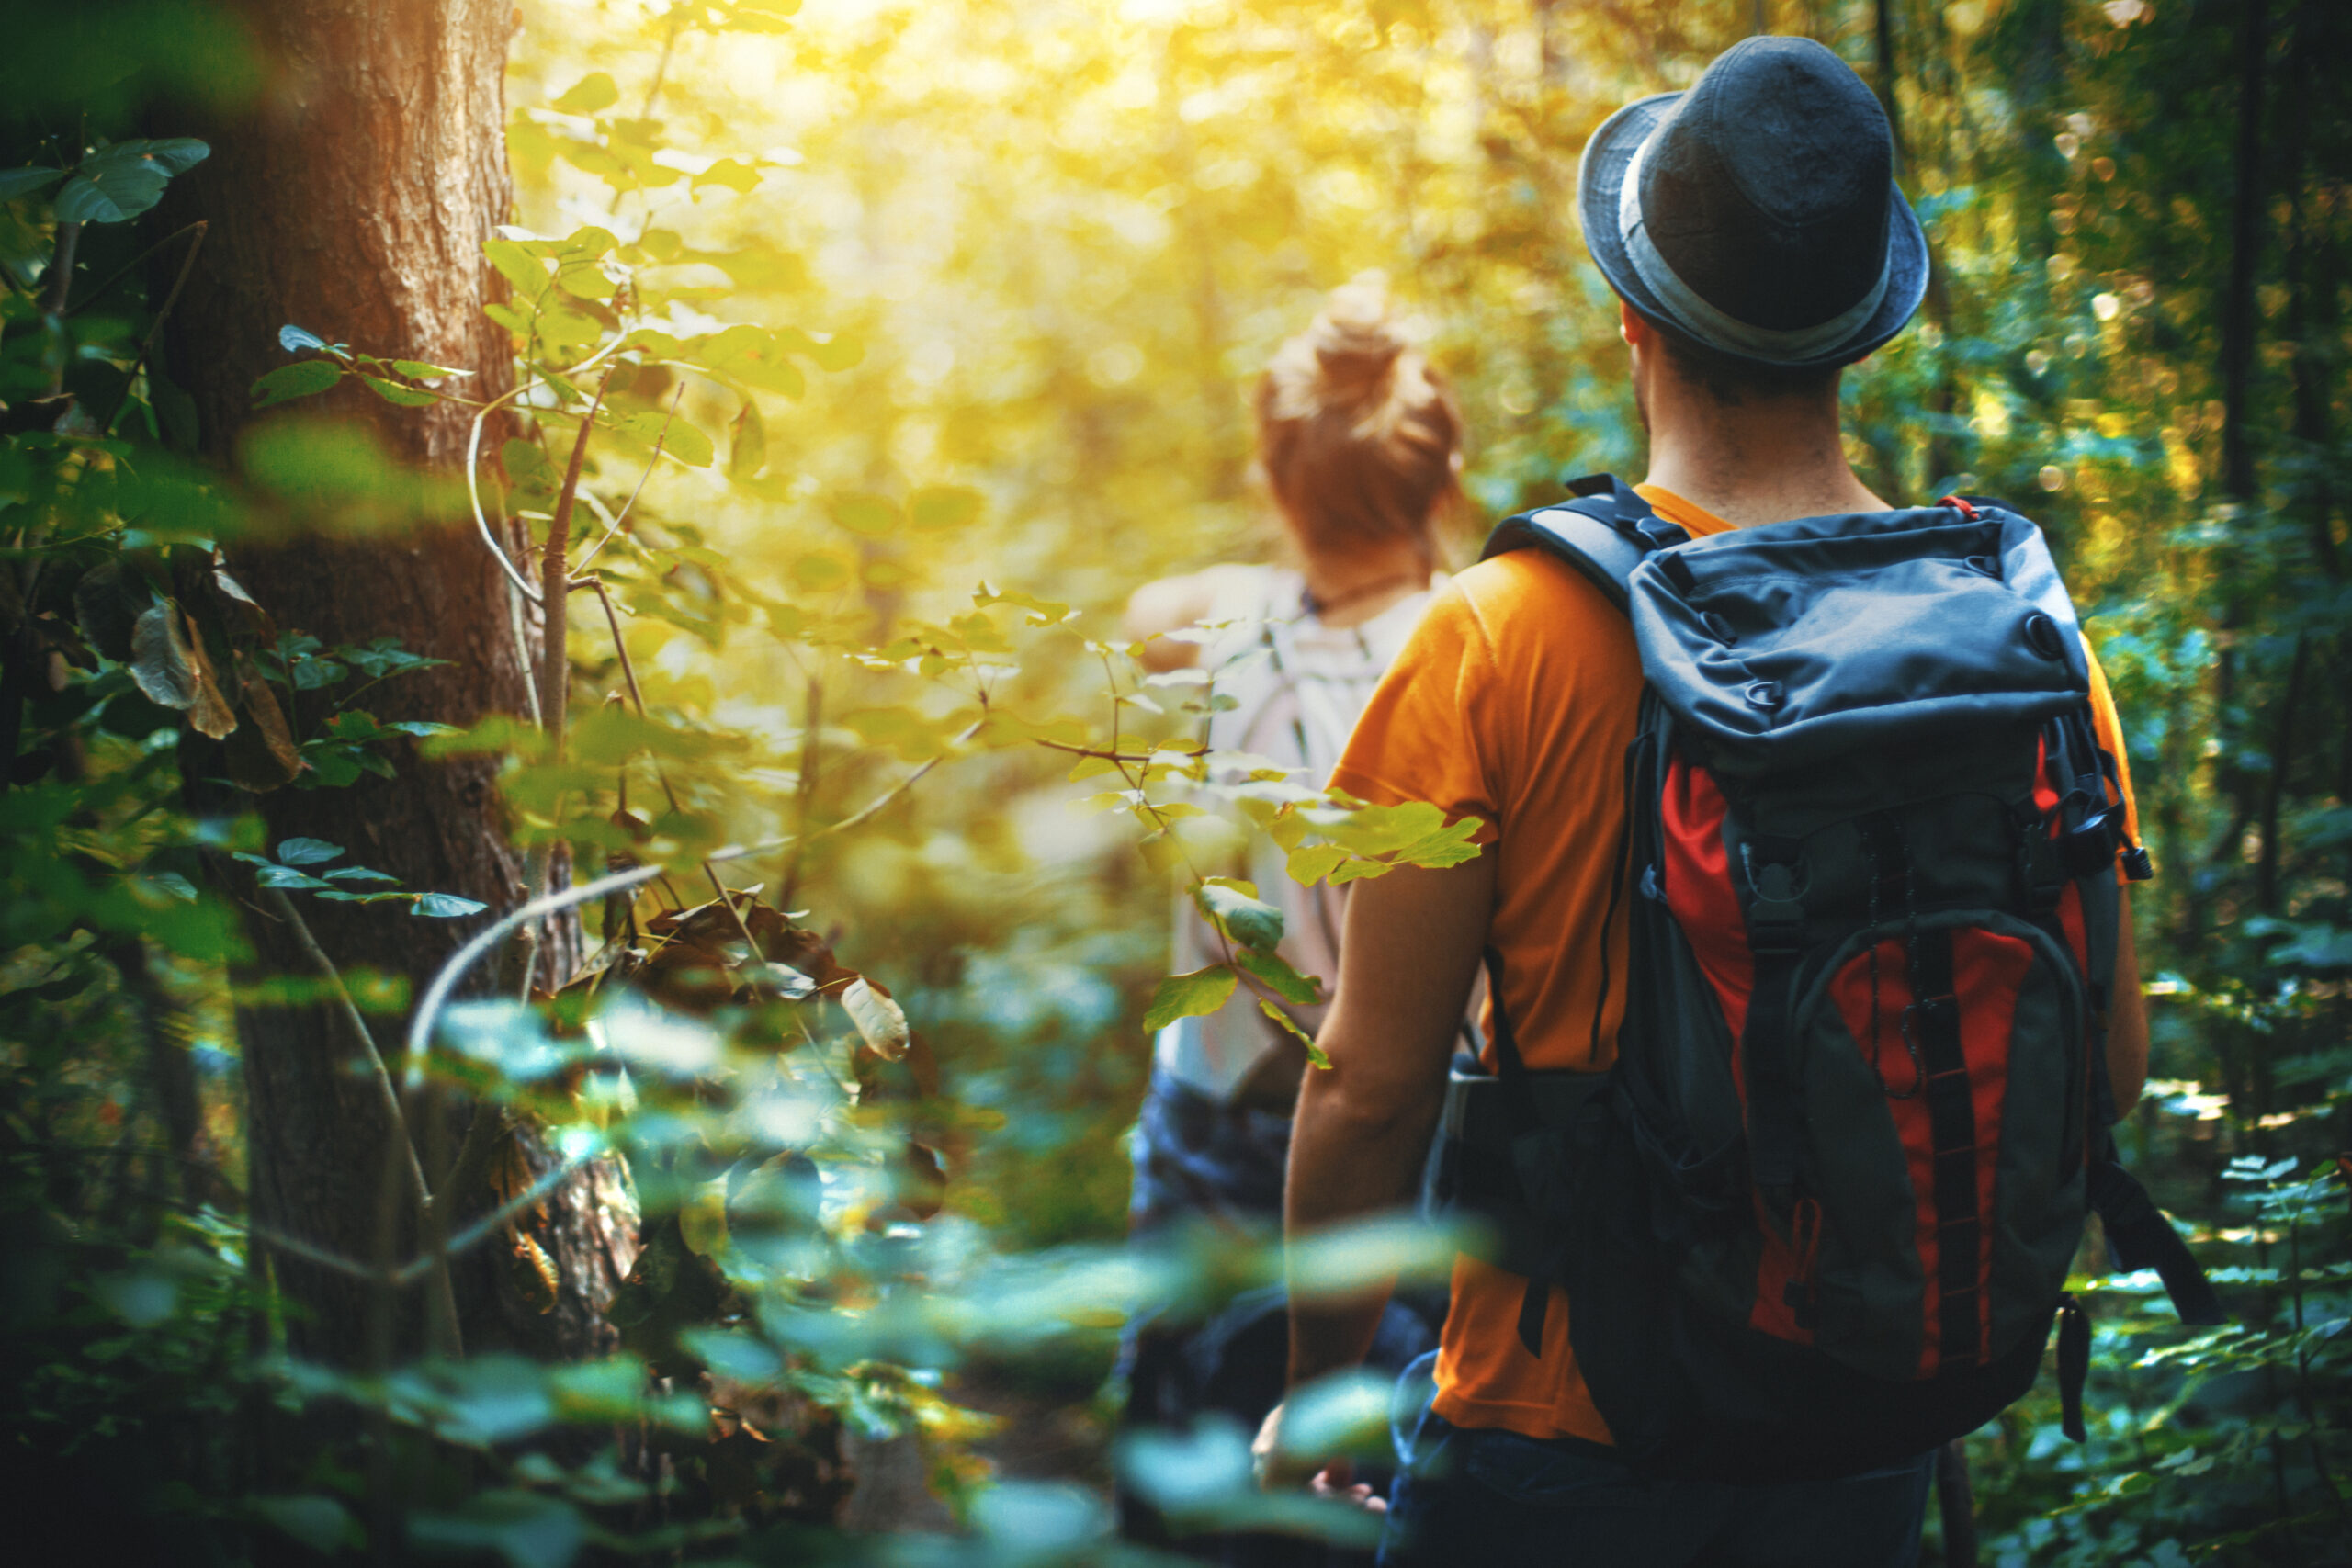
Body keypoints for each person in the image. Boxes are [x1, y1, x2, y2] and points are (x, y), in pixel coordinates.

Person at [1257, 37, 2158, 1567]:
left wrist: (1313, 1402)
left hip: (1559, 1439)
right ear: (1861, 332)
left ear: (1633, 316)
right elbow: (2110, 1072)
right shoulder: (2016, 634)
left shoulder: (1500, 634)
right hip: (1865, 1421)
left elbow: (1370, 1090)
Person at [1117, 279, 1465, 1565]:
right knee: (1375, 1498)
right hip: (1400, 1149)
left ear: (1276, 475)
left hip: (1214, 1124)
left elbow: (1157, 610)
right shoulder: (1478, 654)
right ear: (1442, 476)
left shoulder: (1201, 634)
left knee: (1189, 1478)